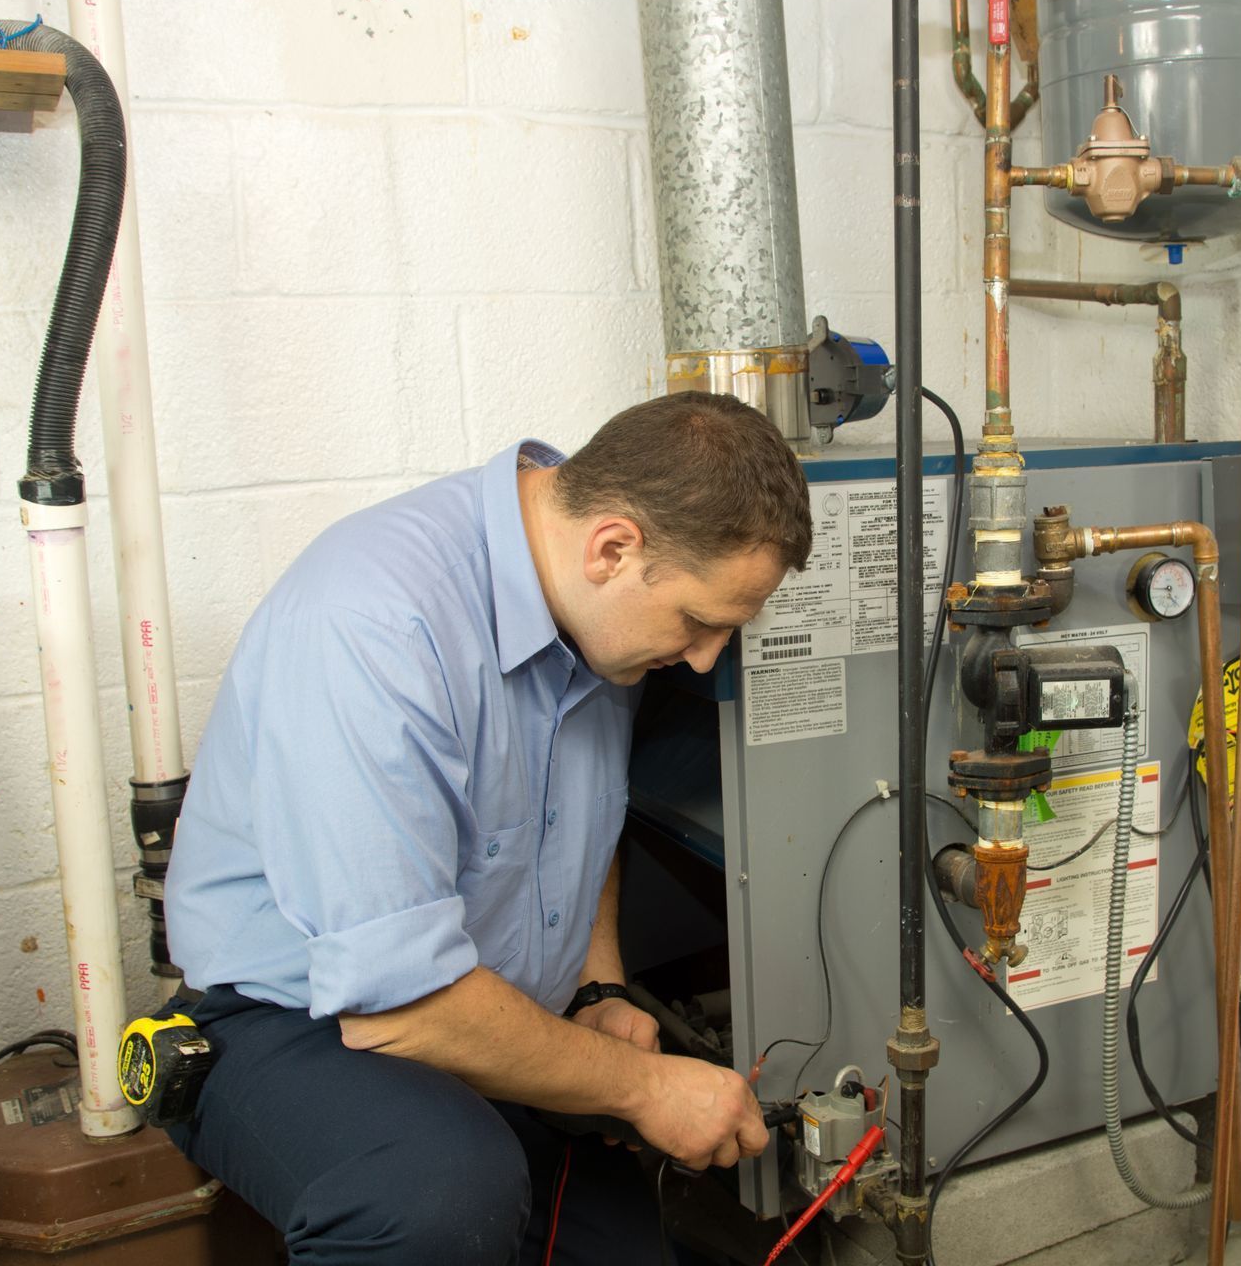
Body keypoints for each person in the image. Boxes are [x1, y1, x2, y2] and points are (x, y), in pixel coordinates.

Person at [161, 391, 813, 1264]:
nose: (703, 660)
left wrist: (600, 988)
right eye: (699, 624)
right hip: (293, 1019)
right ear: (612, 547)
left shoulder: (591, 613)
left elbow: (579, 818)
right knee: (436, 1200)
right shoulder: (374, 624)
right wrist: (645, 1087)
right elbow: (401, 1006)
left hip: (486, 1016)